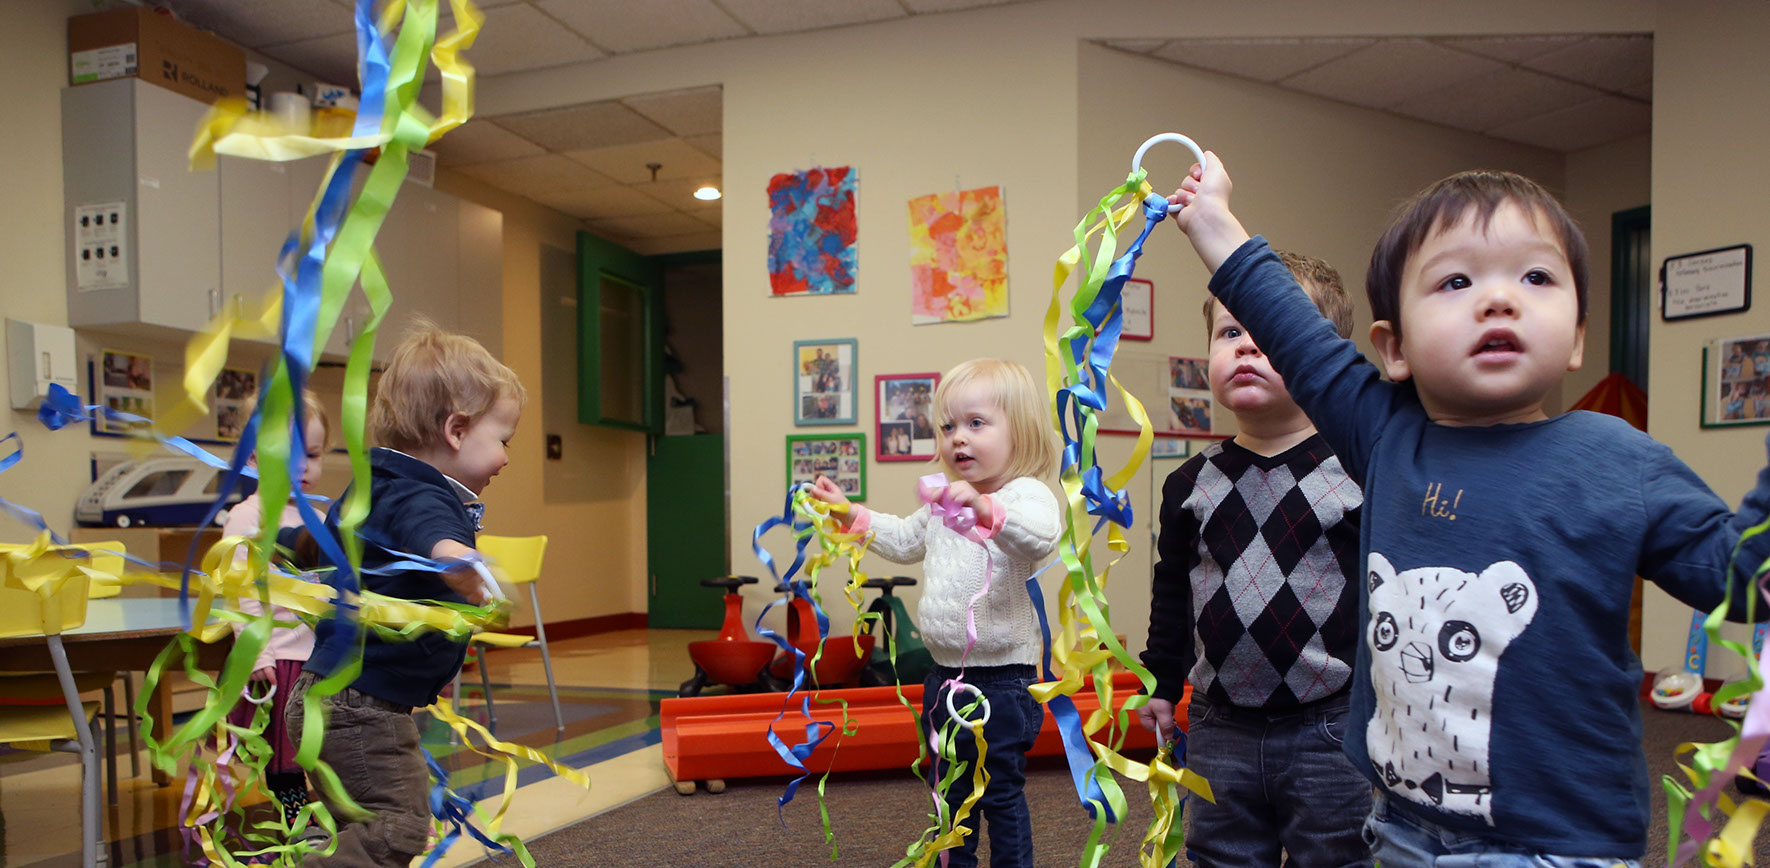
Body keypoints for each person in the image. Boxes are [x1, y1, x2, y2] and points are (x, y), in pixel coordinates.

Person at [1164, 156, 1770, 866]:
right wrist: (1212, 221)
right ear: (1394, 349)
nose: (1499, 299)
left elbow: (1740, 578)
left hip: (1558, 845)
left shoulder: (1617, 460)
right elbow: (1293, 330)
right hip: (1400, 826)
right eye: (1457, 282)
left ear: (1577, 335)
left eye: (1535, 277)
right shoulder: (1386, 435)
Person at [1137, 251, 1371, 868]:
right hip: (1221, 725)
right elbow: (1173, 588)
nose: (1246, 346)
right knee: (1222, 856)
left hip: (1330, 723)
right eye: (1230, 332)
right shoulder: (1191, 483)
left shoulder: (1356, 472)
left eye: (1270, 331)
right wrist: (1161, 680)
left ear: (1323, 358)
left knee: (1337, 856)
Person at [809, 358, 1061, 868]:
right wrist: (850, 513)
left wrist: (986, 509)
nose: (957, 438)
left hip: (1003, 684)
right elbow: (904, 539)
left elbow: (1040, 537)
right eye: (947, 427)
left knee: (1000, 792)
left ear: (1020, 432)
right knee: (948, 788)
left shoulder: (1026, 495)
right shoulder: (944, 504)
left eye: (976, 423)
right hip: (943, 679)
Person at [289, 323, 524, 867]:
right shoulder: (424, 495)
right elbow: (433, 537)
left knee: (358, 827)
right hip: (361, 710)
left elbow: (324, 540)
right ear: (457, 430)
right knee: (396, 829)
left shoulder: (377, 481)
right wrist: (460, 563)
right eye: (503, 440)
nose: (506, 459)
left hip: (327, 698)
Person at [221, 389, 331, 826]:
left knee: (321, 746)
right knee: (285, 755)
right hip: (280, 658)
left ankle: (330, 818)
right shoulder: (247, 517)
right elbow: (241, 591)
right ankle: (294, 822)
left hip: (318, 657)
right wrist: (257, 653)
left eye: (314, 455)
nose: (303, 467)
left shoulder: (318, 518)